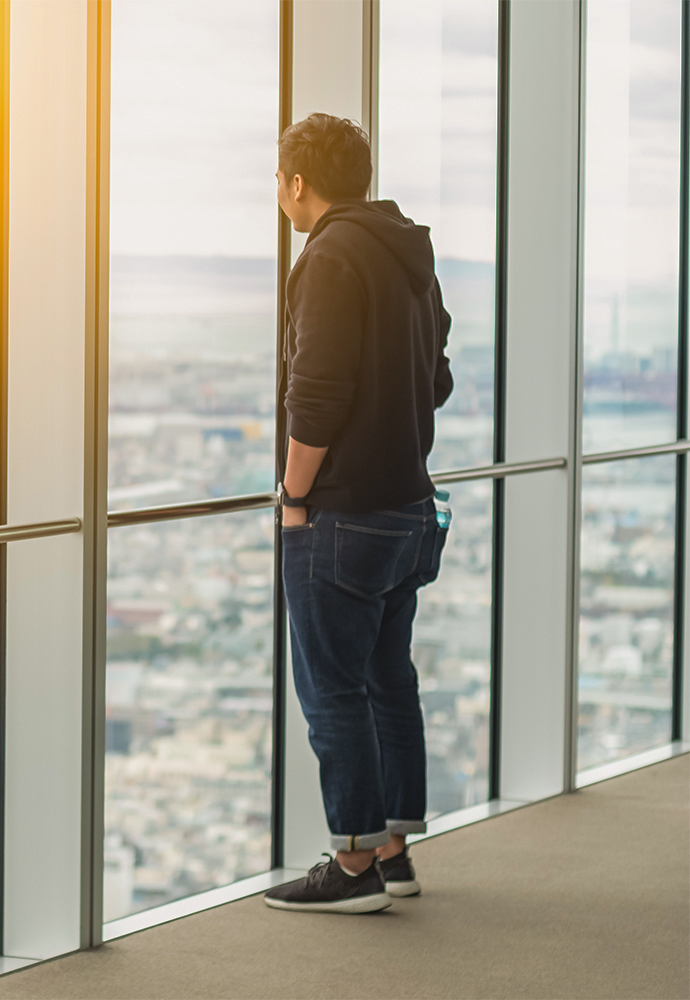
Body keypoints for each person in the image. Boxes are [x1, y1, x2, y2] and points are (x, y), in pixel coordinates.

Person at [263, 113, 452, 914]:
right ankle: (396, 852)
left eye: (278, 179)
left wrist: (295, 495)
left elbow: (319, 393)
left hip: (343, 513)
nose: (278, 193)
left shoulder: (327, 257)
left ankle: (352, 868)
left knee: (332, 690)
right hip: (410, 504)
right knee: (387, 678)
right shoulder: (408, 252)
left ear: (298, 183)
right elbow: (437, 376)